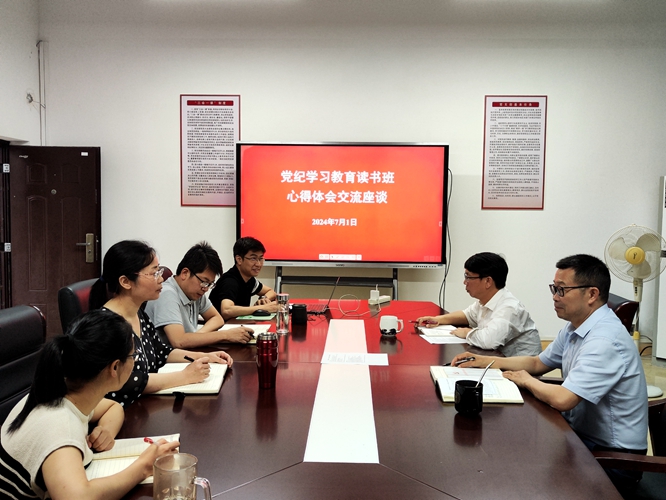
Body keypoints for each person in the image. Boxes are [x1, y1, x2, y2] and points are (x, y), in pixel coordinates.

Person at [450, 254, 648, 496]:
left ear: (592, 294)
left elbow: (564, 399)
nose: (555, 297)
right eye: (554, 288)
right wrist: (488, 362)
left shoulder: (605, 340)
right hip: (580, 439)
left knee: (516, 475)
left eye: (562, 290)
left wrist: (525, 380)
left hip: (612, 460)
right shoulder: (576, 327)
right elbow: (537, 362)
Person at [0, 309, 180, 499]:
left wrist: (105, 431)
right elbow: (76, 498)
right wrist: (144, 467)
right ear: (115, 367)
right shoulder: (60, 424)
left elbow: (112, 407)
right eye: (133, 356)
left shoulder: (61, 393)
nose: (135, 363)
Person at [90, 240, 233, 408]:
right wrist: (184, 376)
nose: (161, 280)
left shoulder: (138, 314)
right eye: (154, 273)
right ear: (126, 282)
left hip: (146, 406)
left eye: (159, 271)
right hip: (123, 412)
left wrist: (203, 356)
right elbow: (127, 381)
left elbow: (161, 352)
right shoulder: (107, 326)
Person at [417, 252, 541, 356]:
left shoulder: (509, 308)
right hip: (497, 360)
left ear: (488, 281)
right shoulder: (486, 300)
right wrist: (438, 319)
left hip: (521, 371)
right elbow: (467, 315)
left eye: (469, 277)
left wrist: (466, 333)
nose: (465, 282)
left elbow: (489, 341)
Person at [145, 242, 254, 346]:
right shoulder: (167, 294)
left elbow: (217, 318)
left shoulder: (196, 292)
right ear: (185, 273)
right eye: (204, 282)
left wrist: (198, 336)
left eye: (209, 284)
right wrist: (226, 335)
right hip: (167, 357)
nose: (205, 289)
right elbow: (179, 341)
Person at [209, 237, 278, 320]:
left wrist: (264, 299)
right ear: (239, 260)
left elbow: (270, 291)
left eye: (261, 259)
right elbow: (226, 310)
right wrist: (263, 308)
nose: (258, 264)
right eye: (253, 258)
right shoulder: (230, 281)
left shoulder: (249, 279)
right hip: (222, 326)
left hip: (238, 325)